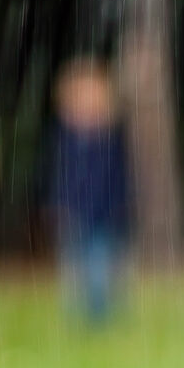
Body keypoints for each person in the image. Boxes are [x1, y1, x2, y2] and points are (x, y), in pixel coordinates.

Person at [49, 57, 130, 323]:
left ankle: (101, 314)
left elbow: (117, 178)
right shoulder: (64, 137)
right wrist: (58, 203)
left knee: (102, 264)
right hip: (74, 212)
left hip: (106, 213)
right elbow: (59, 176)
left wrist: (119, 206)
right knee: (74, 265)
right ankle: (77, 312)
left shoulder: (111, 137)